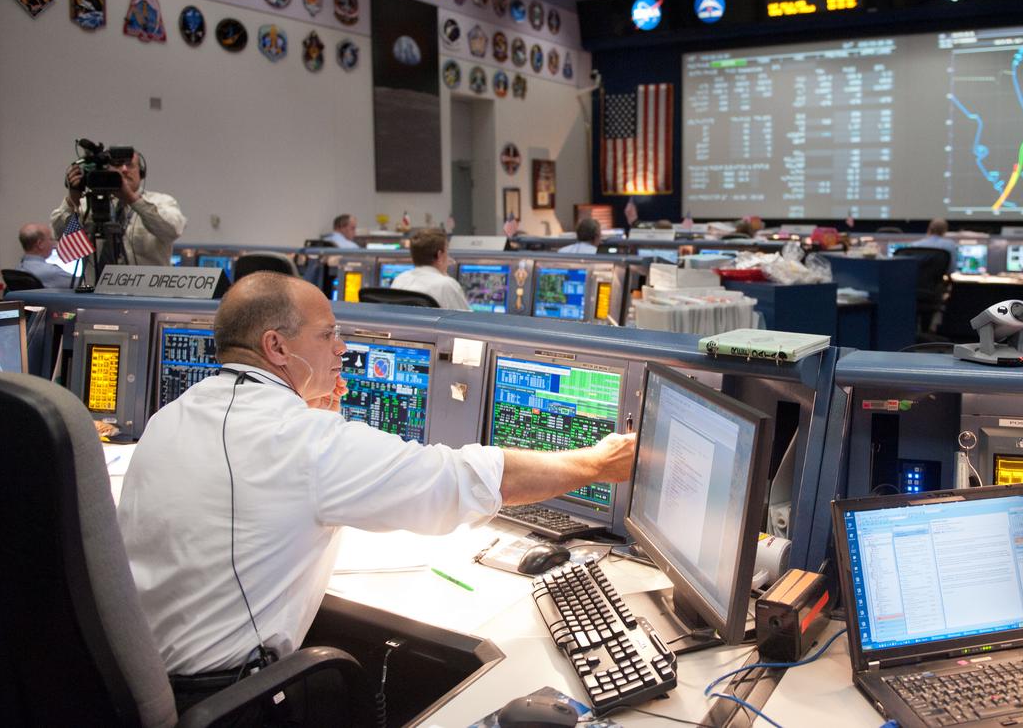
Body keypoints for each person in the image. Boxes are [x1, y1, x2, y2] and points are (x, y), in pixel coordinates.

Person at [116, 272, 636, 693]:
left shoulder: (171, 418)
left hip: (144, 680)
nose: (340, 349)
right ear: (275, 346)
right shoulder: (301, 441)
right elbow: (460, 480)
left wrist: (309, 413)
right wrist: (596, 463)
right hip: (230, 699)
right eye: (327, 335)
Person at [52, 148, 186, 272]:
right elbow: (60, 236)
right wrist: (73, 198)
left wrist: (133, 200)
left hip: (146, 294)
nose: (124, 170)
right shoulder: (87, 204)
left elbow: (172, 231)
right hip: (96, 292)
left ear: (141, 171)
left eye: (130, 165)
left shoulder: (161, 202)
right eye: (117, 165)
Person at [390, 228, 469, 310]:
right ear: (440, 255)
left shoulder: (399, 280)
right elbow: (468, 320)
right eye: (447, 252)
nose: (449, 258)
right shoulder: (446, 284)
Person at [15, 223, 74, 288]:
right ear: (40, 244)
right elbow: (82, 284)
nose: (54, 244)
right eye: (51, 239)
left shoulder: (19, 268)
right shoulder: (52, 272)